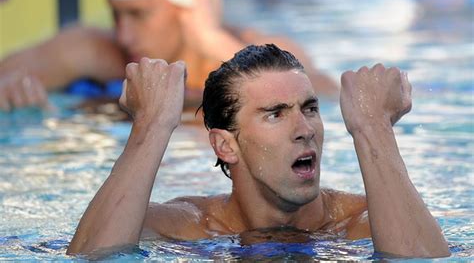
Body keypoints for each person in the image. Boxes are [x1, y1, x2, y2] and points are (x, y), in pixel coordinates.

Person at [67, 44, 450, 258]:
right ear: (225, 145)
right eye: (275, 114)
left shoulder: (362, 223)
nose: (304, 130)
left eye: (310, 108)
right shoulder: (190, 226)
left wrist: (373, 129)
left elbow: (420, 260)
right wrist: (150, 127)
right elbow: (93, 256)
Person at [0, 0, 337, 112]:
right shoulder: (98, 52)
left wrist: (210, 39)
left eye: (139, 14)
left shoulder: (257, 47)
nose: (123, 35)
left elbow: (329, 97)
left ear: (188, 6)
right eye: (116, 15)